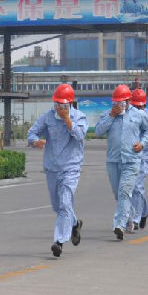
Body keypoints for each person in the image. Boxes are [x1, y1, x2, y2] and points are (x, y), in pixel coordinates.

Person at [27, 83, 88, 257]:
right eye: (57, 104)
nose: (59, 108)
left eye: (63, 105)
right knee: (57, 206)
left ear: (70, 104)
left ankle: (59, 241)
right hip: (52, 167)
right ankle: (74, 224)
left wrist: (67, 120)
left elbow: (80, 135)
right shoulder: (48, 117)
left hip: (71, 168)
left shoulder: (79, 117)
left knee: (65, 203)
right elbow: (32, 133)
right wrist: (35, 141)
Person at [94, 84, 148, 241]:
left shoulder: (138, 114)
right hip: (113, 160)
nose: (119, 105)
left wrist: (142, 143)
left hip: (131, 160)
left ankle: (119, 225)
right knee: (118, 194)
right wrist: (111, 115)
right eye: (116, 102)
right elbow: (98, 131)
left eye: (122, 102)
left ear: (128, 101)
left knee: (124, 192)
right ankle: (130, 216)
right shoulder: (107, 114)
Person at [129, 88, 148, 230]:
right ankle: (144, 211)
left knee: (137, 185)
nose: (137, 108)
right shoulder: (128, 114)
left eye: (140, 106)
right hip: (130, 155)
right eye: (135, 106)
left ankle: (135, 219)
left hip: (145, 155)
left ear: (144, 105)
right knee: (131, 187)